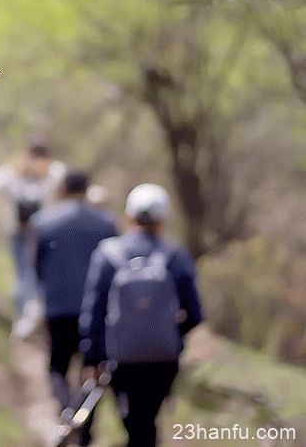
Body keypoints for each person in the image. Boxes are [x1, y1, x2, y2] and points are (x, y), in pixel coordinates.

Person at [80, 183, 203, 447]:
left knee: (134, 420)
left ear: (129, 215)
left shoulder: (107, 254)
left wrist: (92, 356)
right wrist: (172, 338)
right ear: (163, 218)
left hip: (120, 358)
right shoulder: (175, 257)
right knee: (145, 420)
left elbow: (94, 309)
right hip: (163, 359)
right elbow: (194, 313)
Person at [30, 169, 118, 446]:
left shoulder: (44, 222)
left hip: (59, 307)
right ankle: (84, 430)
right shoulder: (106, 224)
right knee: (91, 370)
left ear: (63, 189)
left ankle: (66, 410)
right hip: (97, 312)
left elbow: (37, 267)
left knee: (57, 366)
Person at [0, 137, 66, 332]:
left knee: (34, 275)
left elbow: (62, 176)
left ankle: (33, 317)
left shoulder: (50, 175)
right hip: (20, 232)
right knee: (25, 275)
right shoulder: (14, 173)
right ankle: (26, 317)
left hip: (40, 233)